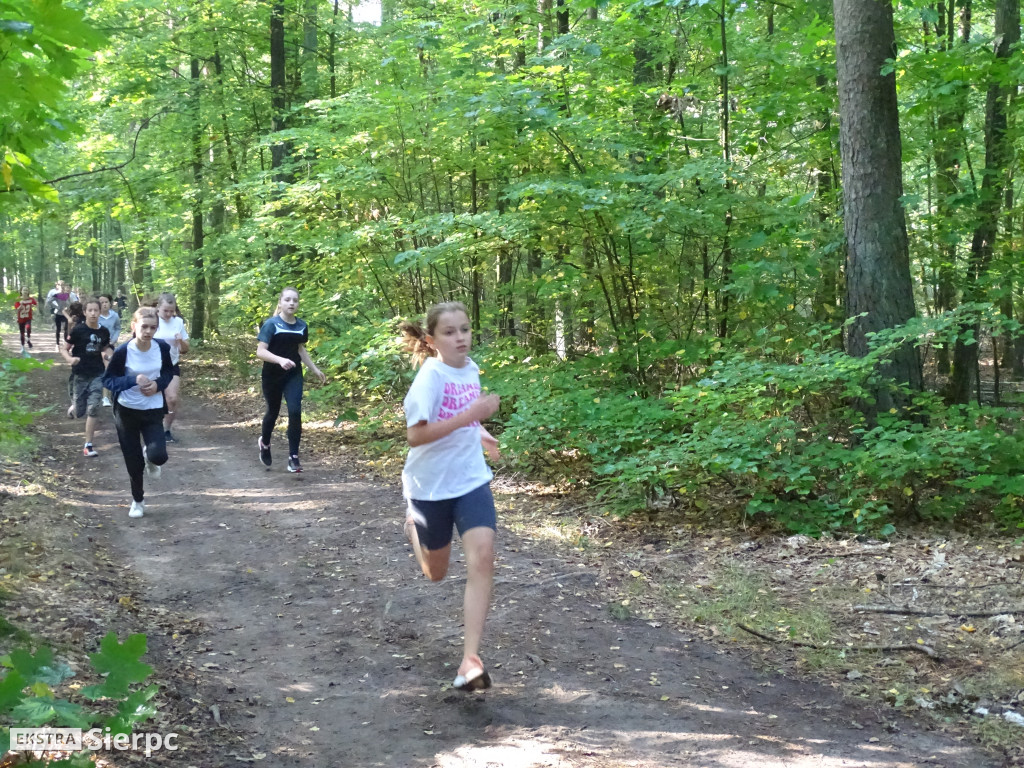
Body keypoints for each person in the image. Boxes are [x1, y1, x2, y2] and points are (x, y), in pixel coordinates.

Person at [398, 301, 501, 692]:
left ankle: (470, 660)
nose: (461, 337)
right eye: (450, 332)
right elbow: (416, 435)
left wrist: (479, 430)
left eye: (465, 329)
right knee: (435, 573)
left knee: (483, 555)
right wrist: (471, 415)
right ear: (431, 340)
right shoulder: (429, 378)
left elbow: (464, 417)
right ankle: (414, 528)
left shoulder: (471, 369)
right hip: (430, 486)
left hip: (470, 479)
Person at [102, 307, 173, 519]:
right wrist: (133, 380)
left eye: (153, 328)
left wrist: (158, 385)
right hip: (126, 411)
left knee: (159, 456)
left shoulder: (161, 348)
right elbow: (108, 380)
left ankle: (150, 458)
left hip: (152, 410)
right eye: (144, 326)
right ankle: (138, 501)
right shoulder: (124, 351)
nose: (148, 331)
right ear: (134, 326)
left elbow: (169, 372)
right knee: (133, 462)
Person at [255, 287, 326, 473]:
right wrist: (280, 360)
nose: (291, 303)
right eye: (287, 300)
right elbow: (260, 351)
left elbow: (300, 350)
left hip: (293, 375)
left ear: (298, 303)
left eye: (295, 300)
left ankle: (293, 457)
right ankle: (265, 443)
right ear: (280, 303)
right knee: (273, 411)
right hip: (272, 375)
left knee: (295, 411)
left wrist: (315, 369)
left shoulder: (302, 326)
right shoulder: (271, 324)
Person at [60, 297, 113, 457]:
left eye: (96, 310)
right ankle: (73, 407)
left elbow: (106, 347)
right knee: (79, 411)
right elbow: (64, 349)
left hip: (97, 374)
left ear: (100, 312)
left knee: (93, 409)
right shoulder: (78, 330)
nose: (93, 313)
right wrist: (70, 359)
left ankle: (88, 445)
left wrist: (109, 356)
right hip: (80, 375)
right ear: (84, 312)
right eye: (89, 310)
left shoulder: (103, 331)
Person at [153, 293, 189, 443]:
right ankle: (150, 429)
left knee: (172, 399)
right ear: (158, 308)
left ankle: (166, 430)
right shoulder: (151, 320)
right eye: (165, 310)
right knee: (151, 399)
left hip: (171, 365)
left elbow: (185, 349)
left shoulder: (178, 322)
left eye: (171, 311)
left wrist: (181, 341)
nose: (168, 314)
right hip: (152, 366)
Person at [97, 294, 121, 407]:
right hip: (96, 346)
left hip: (109, 346)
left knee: (108, 368)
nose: (104, 304)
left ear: (110, 303)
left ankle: (106, 397)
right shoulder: (95, 316)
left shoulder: (114, 316)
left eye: (106, 302)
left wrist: (114, 339)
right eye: (101, 302)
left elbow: (117, 328)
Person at [44, 281, 74, 350]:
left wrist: (68, 307)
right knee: (58, 329)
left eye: (63, 285)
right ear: (58, 286)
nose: (62, 287)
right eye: (61, 285)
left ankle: (65, 343)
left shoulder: (67, 294)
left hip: (66, 314)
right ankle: (57, 344)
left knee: (66, 329)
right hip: (58, 313)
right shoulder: (56, 294)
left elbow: (70, 302)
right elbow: (49, 301)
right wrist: (56, 306)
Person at [14, 287, 37, 353]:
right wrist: (20, 306)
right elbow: (17, 309)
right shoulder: (18, 299)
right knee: (22, 333)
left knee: (28, 327)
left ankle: (28, 339)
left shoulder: (31, 299)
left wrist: (33, 306)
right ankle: (22, 347)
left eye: (26, 290)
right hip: (21, 318)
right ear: (21, 291)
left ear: (28, 291)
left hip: (28, 317)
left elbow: (35, 304)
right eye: (24, 290)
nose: (25, 291)